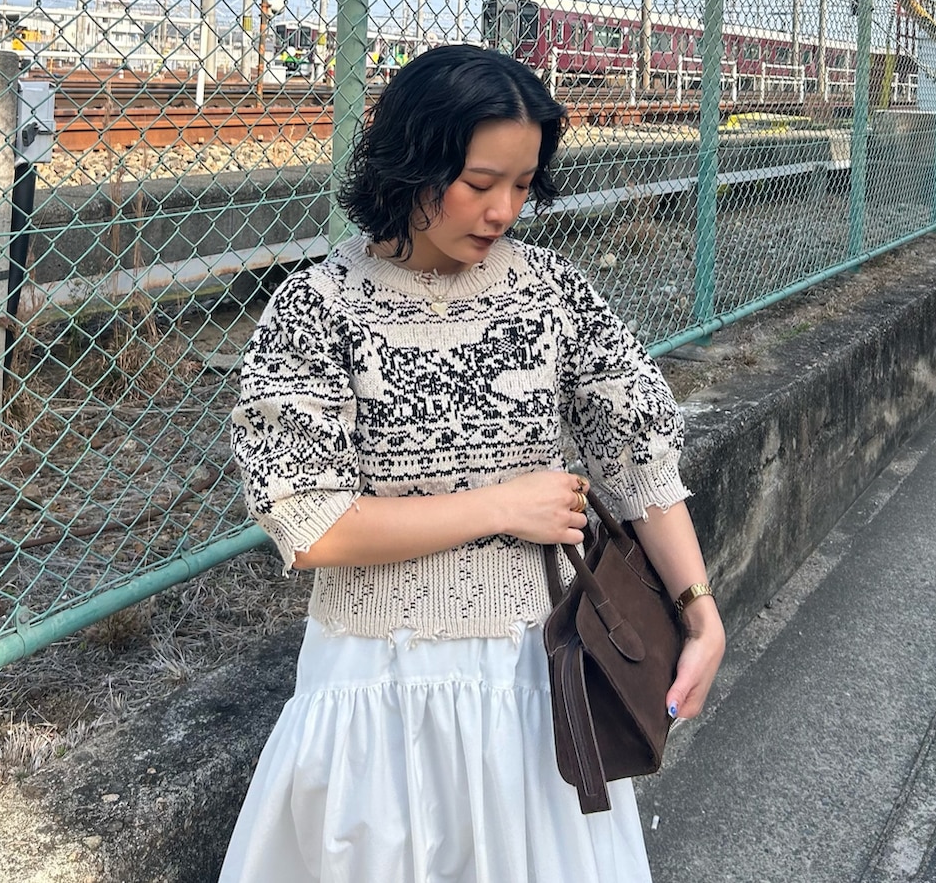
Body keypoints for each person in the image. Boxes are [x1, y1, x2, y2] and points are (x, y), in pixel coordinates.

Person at [221, 44, 725, 883]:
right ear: (411, 164)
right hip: (376, 682)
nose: (502, 211)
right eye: (479, 182)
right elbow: (308, 522)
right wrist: (502, 506)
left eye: (522, 184)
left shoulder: (552, 291)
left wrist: (699, 606)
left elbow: (638, 456)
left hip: (537, 677)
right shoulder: (317, 307)